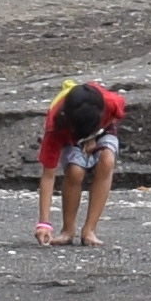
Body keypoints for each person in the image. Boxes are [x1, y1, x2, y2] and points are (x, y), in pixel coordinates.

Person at [33, 75, 125, 247]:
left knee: (107, 160)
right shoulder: (56, 125)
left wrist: (93, 138)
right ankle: (68, 230)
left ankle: (89, 230)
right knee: (75, 170)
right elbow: (48, 174)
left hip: (101, 131)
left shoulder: (110, 101)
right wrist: (43, 224)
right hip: (71, 135)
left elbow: (115, 116)